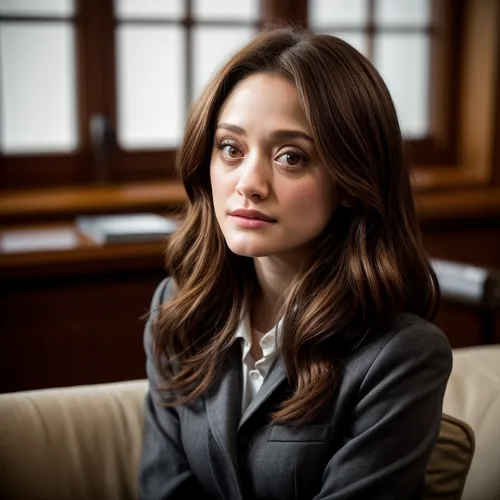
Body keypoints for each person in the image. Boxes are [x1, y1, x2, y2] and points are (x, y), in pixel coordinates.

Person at [139, 27, 452, 500]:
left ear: (351, 182)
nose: (249, 183)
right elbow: (163, 489)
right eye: (231, 149)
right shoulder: (177, 311)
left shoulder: (401, 356)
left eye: (290, 156)